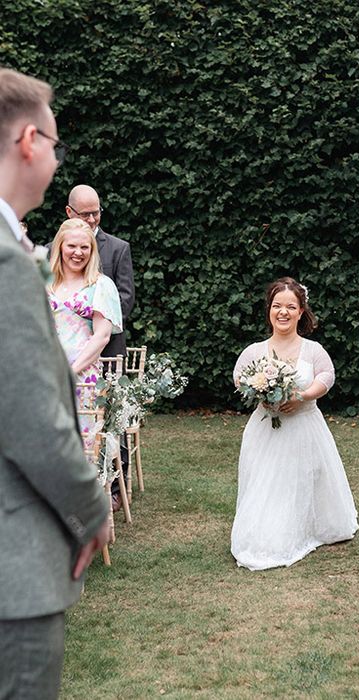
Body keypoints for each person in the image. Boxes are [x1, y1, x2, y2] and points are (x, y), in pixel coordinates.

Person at [0, 67, 109, 699]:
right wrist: (91, 508)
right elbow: (32, 418)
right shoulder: (7, 264)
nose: (56, 155)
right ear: (27, 142)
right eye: (55, 141)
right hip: (13, 565)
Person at [231, 278, 359, 570]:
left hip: (304, 426)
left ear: (301, 311)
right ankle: (264, 530)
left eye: (291, 306)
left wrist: (303, 396)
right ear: (269, 310)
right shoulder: (255, 350)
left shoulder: (312, 349)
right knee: (265, 481)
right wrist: (257, 392)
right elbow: (239, 376)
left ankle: (307, 526)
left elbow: (326, 377)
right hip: (265, 428)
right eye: (277, 306)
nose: (283, 312)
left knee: (300, 480)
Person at [48, 218, 123, 503]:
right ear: (60, 247)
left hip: (82, 380)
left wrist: (69, 372)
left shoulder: (101, 285)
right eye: (72, 246)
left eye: (84, 247)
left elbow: (101, 337)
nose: (78, 253)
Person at [66, 184, 134, 359]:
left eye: (95, 213)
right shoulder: (53, 250)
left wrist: (93, 329)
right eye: (84, 214)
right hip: (63, 347)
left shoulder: (118, 249)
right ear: (69, 212)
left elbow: (125, 300)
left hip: (108, 349)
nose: (91, 219)